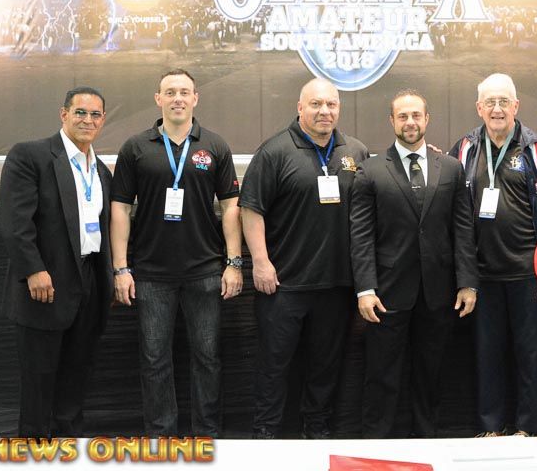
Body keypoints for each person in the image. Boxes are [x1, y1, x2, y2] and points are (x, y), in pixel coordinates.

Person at [110, 69, 242, 437]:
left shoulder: (214, 145)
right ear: (158, 99)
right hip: (151, 274)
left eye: (184, 92)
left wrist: (234, 263)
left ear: (196, 98)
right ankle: (161, 438)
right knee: (154, 361)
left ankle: (207, 436)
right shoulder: (136, 148)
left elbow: (231, 206)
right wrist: (121, 268)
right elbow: (120, 208)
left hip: (205, 271)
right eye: (170, 92)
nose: (178, 98)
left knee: (208, 359)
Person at [238, 78, 368, 440]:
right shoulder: (275, 151)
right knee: (273, 366)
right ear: (300, 108)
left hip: (337, 285)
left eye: (331, 104)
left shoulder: (355, 151)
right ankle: (265, 433)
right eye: (316, 104)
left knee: (325, 367)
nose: (324, 111)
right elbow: (251, 209)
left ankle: (317, 431)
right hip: (284, 284)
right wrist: (260, 262)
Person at [350, 89, 478, 438]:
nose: (410, 122)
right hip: (386, 294)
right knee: (382, 376)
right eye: (403, 116)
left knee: (431, 375)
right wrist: (365, 289)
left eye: (416, 115)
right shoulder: (370, 170)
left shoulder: (450, 168)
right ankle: (376, 447)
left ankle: (427, 443)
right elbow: (360, 236)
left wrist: (467, 282)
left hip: (438, 294)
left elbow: (463, 230)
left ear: (427, 119)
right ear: (392, 121)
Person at [448, 73, 537, 437]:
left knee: (530, 355)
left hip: (527, 273)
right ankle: (491, 427)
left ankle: (529, 428)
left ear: (516, 106)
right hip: (481, 274)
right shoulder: (464, 148)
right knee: (487, 354)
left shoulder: (535, 149)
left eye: (504, 101)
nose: (497, 109)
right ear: (479, 108)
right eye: (490, 102)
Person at [0, 87, 114, 437]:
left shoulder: (102, 171)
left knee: (77, 371)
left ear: (102, 120)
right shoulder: (30, 156)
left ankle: (69, 443)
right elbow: (16, 222)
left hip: (89, 280)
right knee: (39, 377)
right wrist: (33, 269)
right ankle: (34, 448)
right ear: (63, 114)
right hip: (46, 282)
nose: (87, 120)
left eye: (95, 114)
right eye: (80, 112)